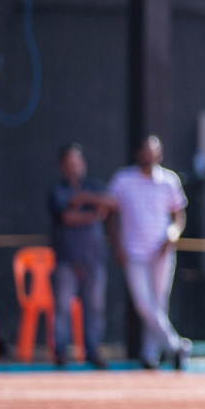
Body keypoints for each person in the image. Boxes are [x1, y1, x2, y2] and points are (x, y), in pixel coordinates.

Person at [108, 136, 190, 370]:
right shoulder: (123, 181)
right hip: (134, 252)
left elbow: (179, 216)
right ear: (137, 154)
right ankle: (175, 346)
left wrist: (172, 234)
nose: (148, 156)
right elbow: (110, 214)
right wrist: (117, 245)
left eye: (153, 152)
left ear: (160, 155)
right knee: (144, 304)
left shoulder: (169, 180)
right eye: (144, 151)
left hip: (162, 253)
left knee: (159, 304)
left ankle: (149, 356)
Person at [48, 144, 115, 369]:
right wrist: (94, 215)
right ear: (61, 167)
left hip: (94, 259)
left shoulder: (93, 187)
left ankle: (92, 349)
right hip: (66, 259)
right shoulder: (58, 191)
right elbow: (66, 218)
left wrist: (86, 198)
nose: (73, 168)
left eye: (77, 163)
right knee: (62, 307)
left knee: (95, 306)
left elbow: (113, 203)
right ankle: (60, 352)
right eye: (69, 164)